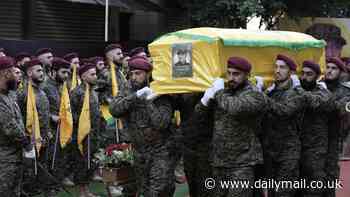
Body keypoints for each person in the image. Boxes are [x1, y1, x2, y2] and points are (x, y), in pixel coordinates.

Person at [195, 57, 268, 197]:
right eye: (229, 73)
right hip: (219, 161)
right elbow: (198, 116)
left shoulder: (255, 94)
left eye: (236, 74)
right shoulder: (225, 91)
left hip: (243, 163)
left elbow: (236, 108)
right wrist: (205, 100)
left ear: (247, 75)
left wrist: (218, 92)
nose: (231, 78)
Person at [109, 56, 177, 197]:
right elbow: (114, 109)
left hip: (161, 150)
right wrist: (135, 97)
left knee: (158, 190)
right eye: (131, 73)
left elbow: (161, 124)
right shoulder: (128, 87)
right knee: (143, 189)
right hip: (139, 150)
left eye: (138, 73)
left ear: (148, 74)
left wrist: (148, 102)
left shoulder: (160, 90)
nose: (133, 77)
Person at [263, 54, 307, 197]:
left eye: (282, 67)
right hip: (270, 151)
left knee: (284, 192)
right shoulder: (271, 92)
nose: (277, 70)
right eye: (275, 67)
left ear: (291, 72)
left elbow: (284, 111)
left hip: (288, 153)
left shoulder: (296, 93)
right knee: (271, 192)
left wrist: (261, 96)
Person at [17, 58, 53, 196]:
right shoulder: (22, 93)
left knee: (42, 171)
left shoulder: (42, 92)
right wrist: (26, 138)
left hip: (43, 140)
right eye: (38, 70)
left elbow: (44, 115)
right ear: (29, 72)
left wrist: (48, 131)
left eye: (42, 70)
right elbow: (18, 117)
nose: (42, 73)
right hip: (29, 142)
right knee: (29, 175)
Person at [299, 60, 334, 197]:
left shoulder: (323, 93)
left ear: (318, 77)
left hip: (315, 149)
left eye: (309, 74)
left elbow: (314, 102)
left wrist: (297, 88)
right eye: (302, 73)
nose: (304, 77)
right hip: (297, 146)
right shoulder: (299, 90)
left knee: (314, 185)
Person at [42, 57, 74, 187]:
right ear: (53, 72)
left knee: (62, 154)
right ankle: (49, 182)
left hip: (63, 127)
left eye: (67, 73)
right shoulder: (45, 87)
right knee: (50, 157)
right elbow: (38, 110)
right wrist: (51, 117)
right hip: (50, 129)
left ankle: (60, 178)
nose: (66, 76)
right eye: (63, 72)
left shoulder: (64, 87)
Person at [0, 56, 29, 196]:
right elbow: (10, 128)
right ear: (6, 73)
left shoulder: (10, 94)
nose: (17, 75)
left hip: (15, 156)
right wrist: (27, 141)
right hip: (4, 160)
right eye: (13, 71)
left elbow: (17, 120)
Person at [70, 62, 100, 197]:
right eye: (92, 74)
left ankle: (87, 190)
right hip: (81, 134)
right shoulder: (76, 92)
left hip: (94, 133)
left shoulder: (93, 91)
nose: (95, 77)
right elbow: (72, 114)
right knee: (81, 163)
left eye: (95, 74)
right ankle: (81, 192)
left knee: (90, 162)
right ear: (83, 76)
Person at [323, 57, 350, 197]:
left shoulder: (346, 91)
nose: (329, 71)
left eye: (334, 68)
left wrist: (323, 93)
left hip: (332, 139)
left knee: (330, 175)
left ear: (340, 72)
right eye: (327, 67)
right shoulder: (316, 85)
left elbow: (341, 110)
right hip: (311, 139)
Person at [98, 44, 129, 142]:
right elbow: (97, 95)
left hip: (122, 115)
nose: (121, 56)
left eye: (121, 53)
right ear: (110, 57)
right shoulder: (105, 74)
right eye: (118, 54)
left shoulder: (120, 72)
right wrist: (111, 101)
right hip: (111, 118)